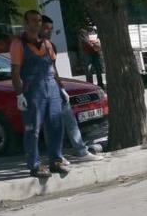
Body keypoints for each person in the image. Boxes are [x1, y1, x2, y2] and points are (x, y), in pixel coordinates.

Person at [10, 10, 69, 178]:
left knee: (56, 126)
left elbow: (53, 68)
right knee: (33, 129)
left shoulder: (47, 44)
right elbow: (15, 71)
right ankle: (35, 165)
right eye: (33, 20)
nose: (37, 23)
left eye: (39, 20)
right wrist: (19, 94)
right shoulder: (18, 43)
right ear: (26, 23)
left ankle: (56, 161)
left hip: (52, 88)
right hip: (33, 90)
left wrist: (61, 88)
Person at [41, 16, 104, 164]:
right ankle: (56, 156)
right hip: (41, 90)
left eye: (50, 29)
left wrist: (61, 88)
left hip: (55, 87)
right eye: (46, 28)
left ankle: (81, 151)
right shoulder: (31, 46)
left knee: (69, 119)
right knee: (50, 124)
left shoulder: (50, 45)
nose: (49, 32)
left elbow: (53, 69)